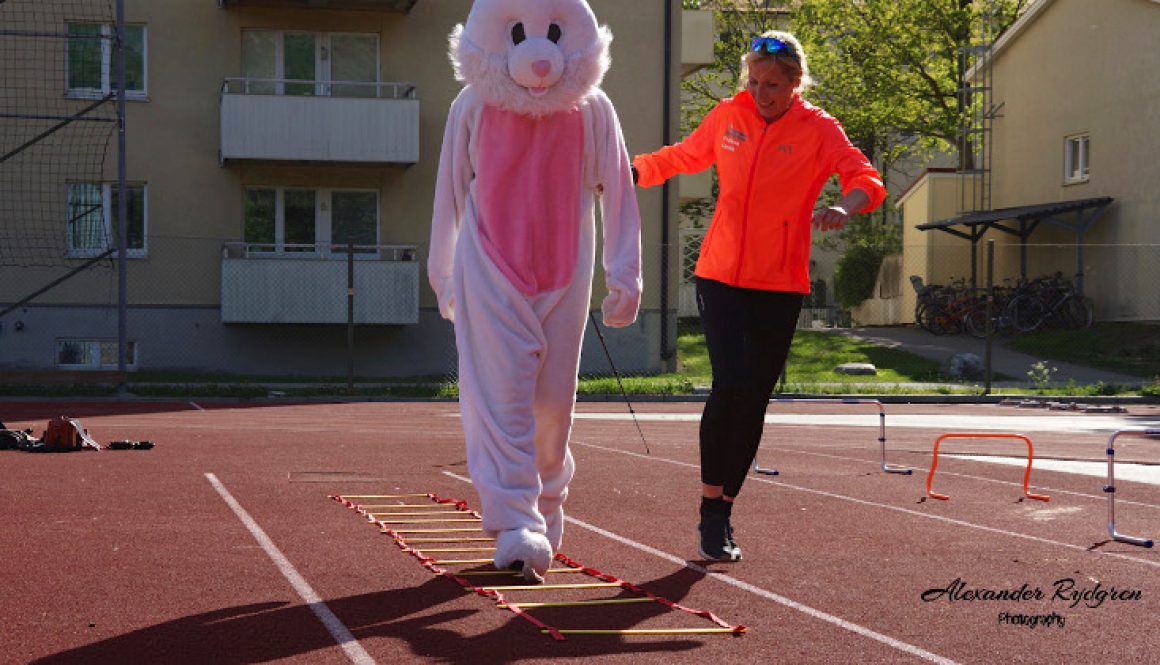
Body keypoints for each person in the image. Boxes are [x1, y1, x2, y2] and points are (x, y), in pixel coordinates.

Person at [632, 30, 886, 562]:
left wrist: (845, 207)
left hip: (779, 283)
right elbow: (685, 156)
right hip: (720, 273)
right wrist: (631, 170)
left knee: (755, 396)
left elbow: (863, 176)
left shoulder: (819, 129)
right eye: (753, 82)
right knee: (729, 385)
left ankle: (725, 509)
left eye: (772, 84)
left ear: (795, 83)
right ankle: (708, 510)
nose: (761, 93)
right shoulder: (729, 115)